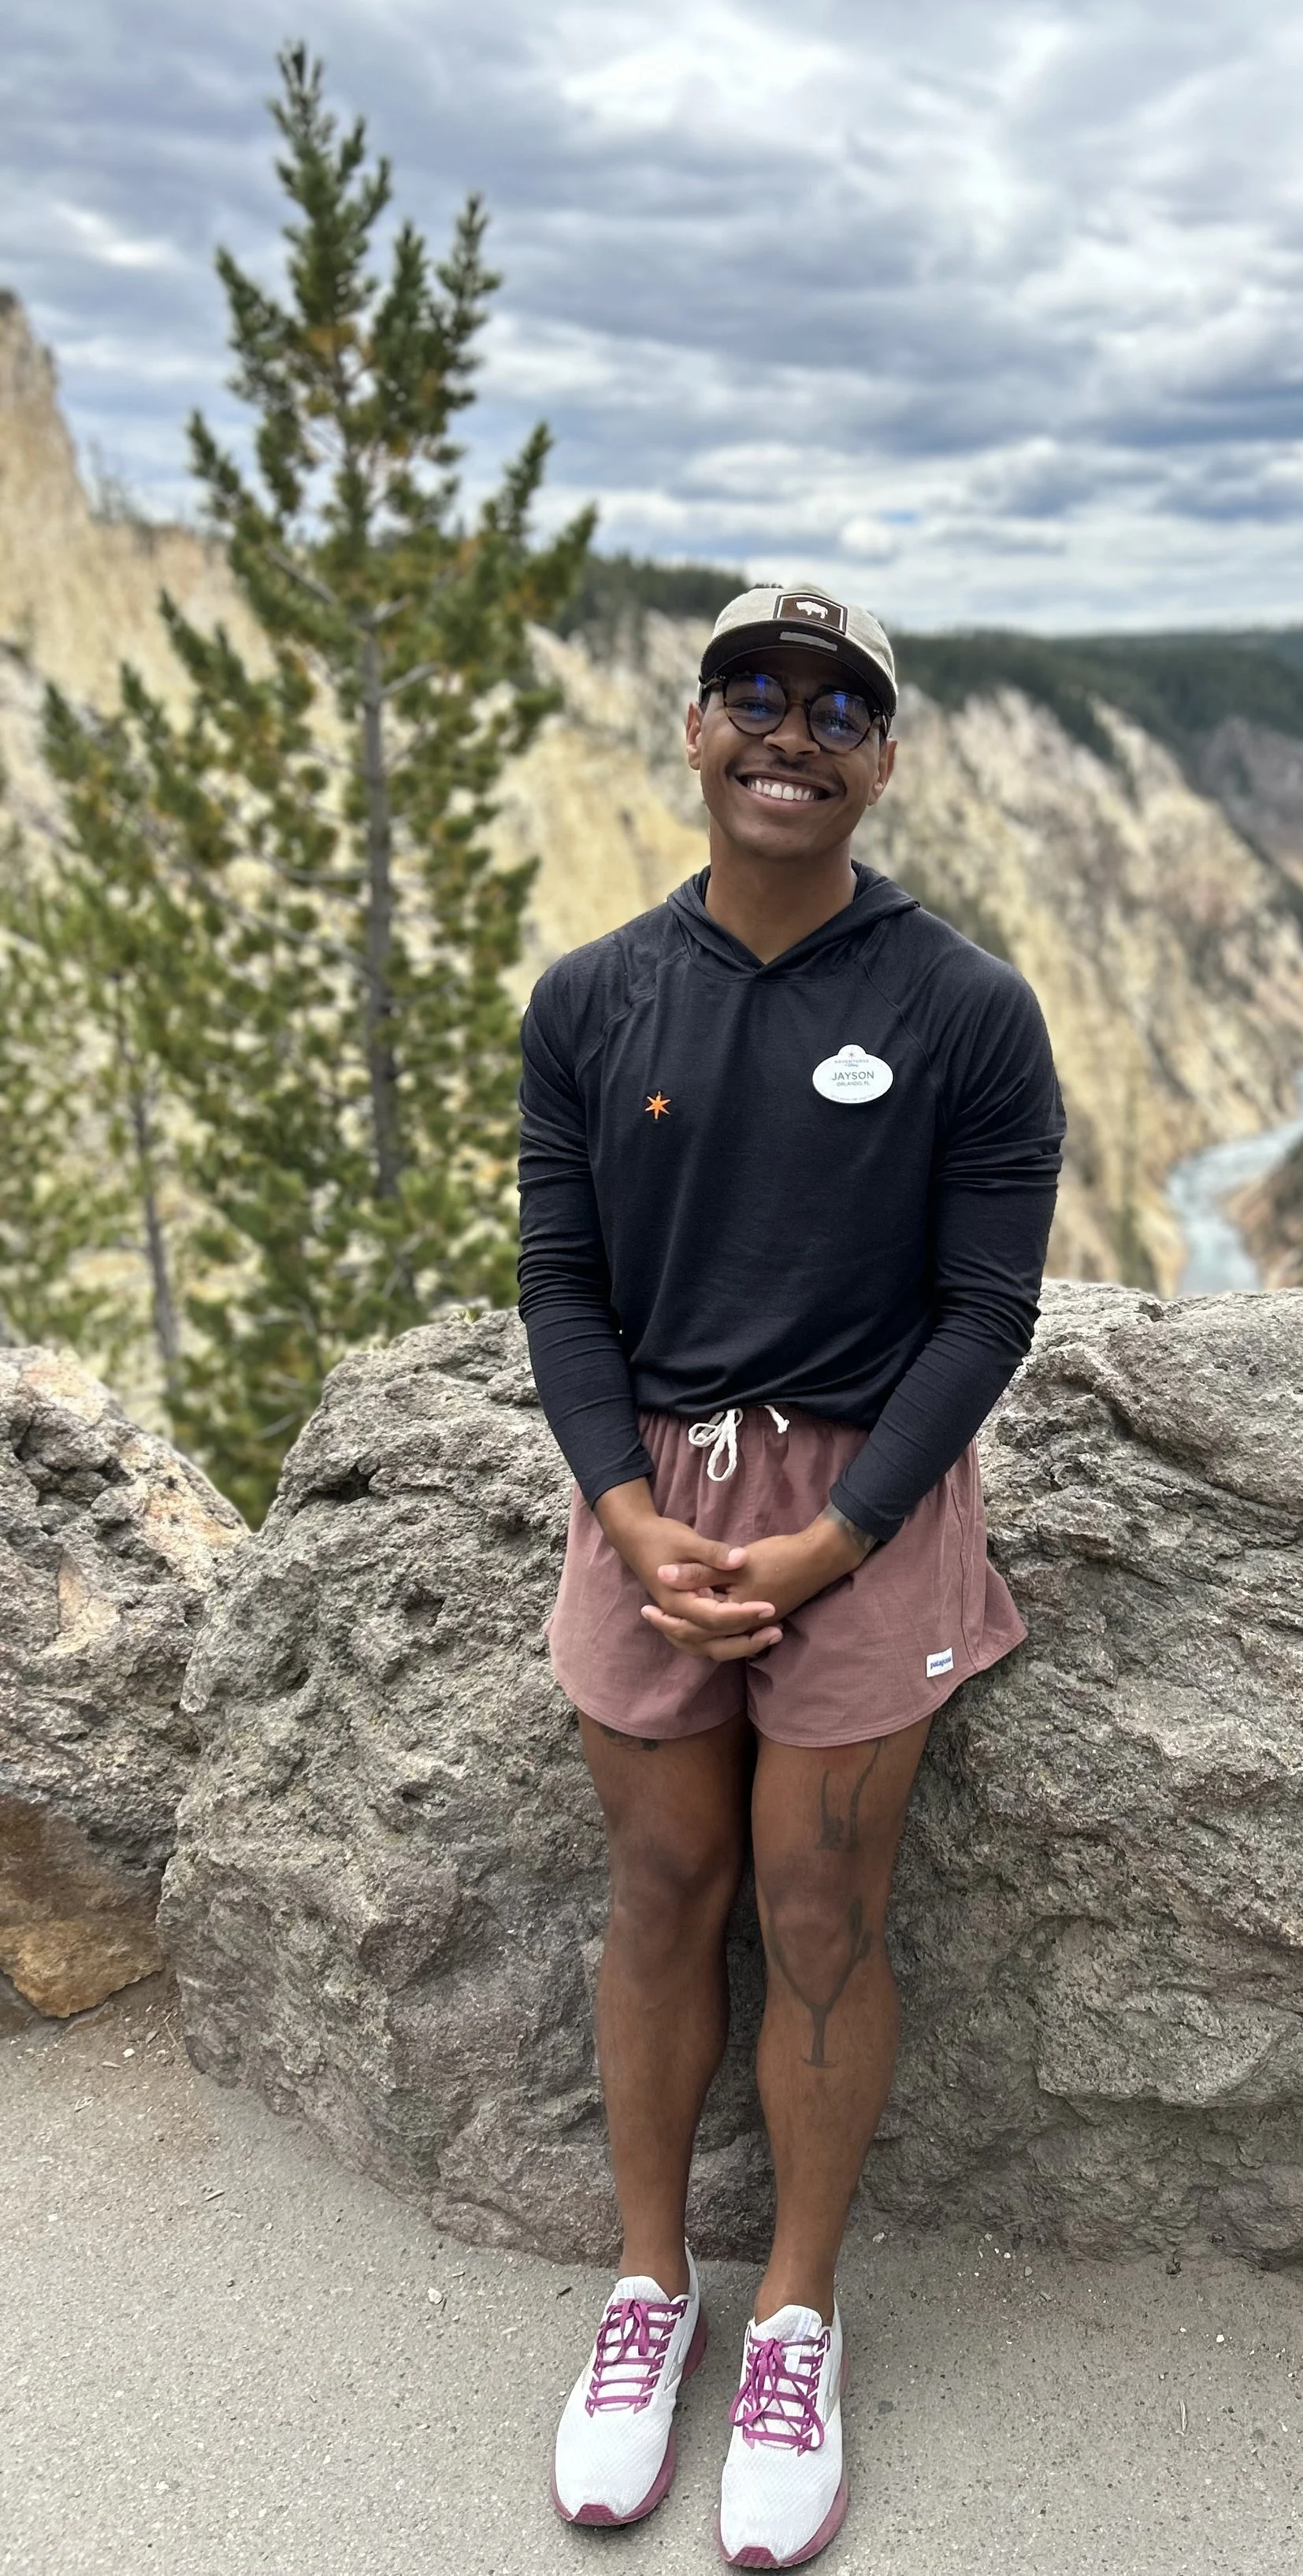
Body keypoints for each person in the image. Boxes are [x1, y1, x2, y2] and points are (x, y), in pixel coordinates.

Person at [516, 584, 1064, 2565]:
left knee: (822, 1902)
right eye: (749, 688)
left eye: (836, 703)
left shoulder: (963, 1011)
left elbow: (984, 1310)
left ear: (881, 758)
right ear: (692, 729)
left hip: (870, 1496)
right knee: (664, 1884)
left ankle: (795, 2317)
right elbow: (562, 1285)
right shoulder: (590, 1001)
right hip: (649, 1495)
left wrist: (839, 1536)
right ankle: (646, 2284)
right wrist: (620, 1503)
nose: (789, 725)